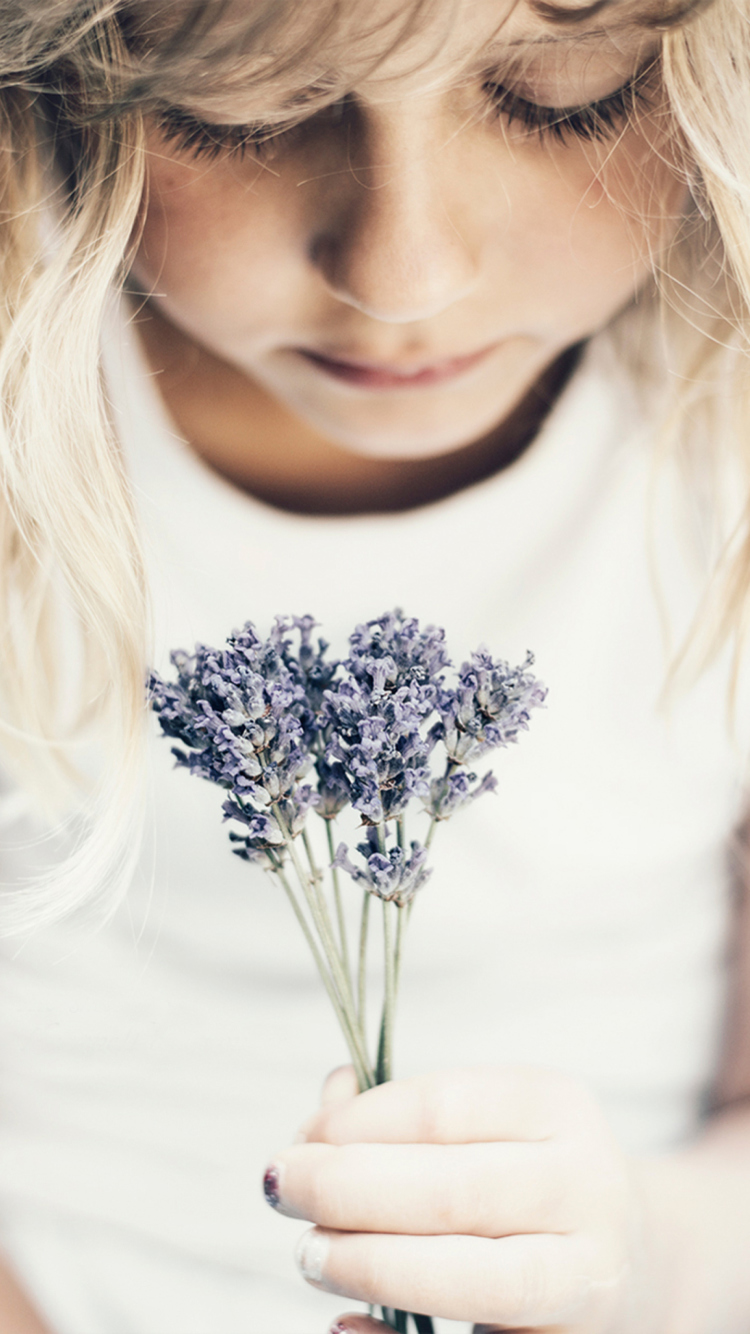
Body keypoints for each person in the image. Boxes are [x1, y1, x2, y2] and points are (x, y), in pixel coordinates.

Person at [0, 0, 750, 1331]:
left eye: (560, 95)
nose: (404, 275)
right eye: (248, 110)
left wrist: (645, 1267)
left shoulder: (714, 442)